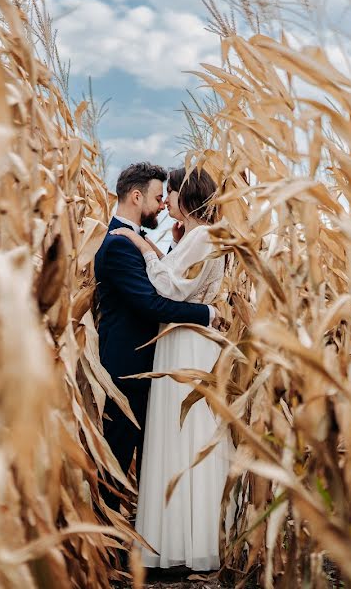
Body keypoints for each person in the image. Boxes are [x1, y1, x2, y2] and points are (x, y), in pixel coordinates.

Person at [111, 166, 234, 572]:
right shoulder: (198, 236)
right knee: (189, 434)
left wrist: (144, 247)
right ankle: (191, 537)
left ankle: (181, 543)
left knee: (181, 438)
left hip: (184, 343)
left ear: (186, 196)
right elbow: (179, 279)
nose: (166, 202)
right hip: (188, 342)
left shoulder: (202, 235)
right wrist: (166, 251)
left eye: (171, 194)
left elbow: (167, 289)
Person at [93, 163, 218, 518]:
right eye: (157, 197)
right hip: (126, 367)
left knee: (155, 452)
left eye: (167, 197)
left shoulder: (135, 240)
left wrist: (170, 251)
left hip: (152, 365)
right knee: (116, 458)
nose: (163, 205)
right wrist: (206, 314)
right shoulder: (119, 243)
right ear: (136, 197)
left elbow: (167, 281)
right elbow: (150, 303)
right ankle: (107, 549)